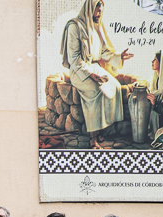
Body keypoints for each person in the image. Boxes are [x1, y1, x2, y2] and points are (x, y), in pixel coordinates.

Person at [60, 0, 132, 149]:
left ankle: (102, 129)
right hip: (79, 71)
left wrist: (119, 56)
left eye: (101, 10)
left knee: (116, 87)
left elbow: (104, 52)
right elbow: (74, 59)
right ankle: (92, 139)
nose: (99, 13)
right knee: (96, 90)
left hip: (94, 67)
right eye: (97, 10)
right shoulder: (75, 26)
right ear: (89, 8)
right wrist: (90, 74)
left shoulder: (97, 26)